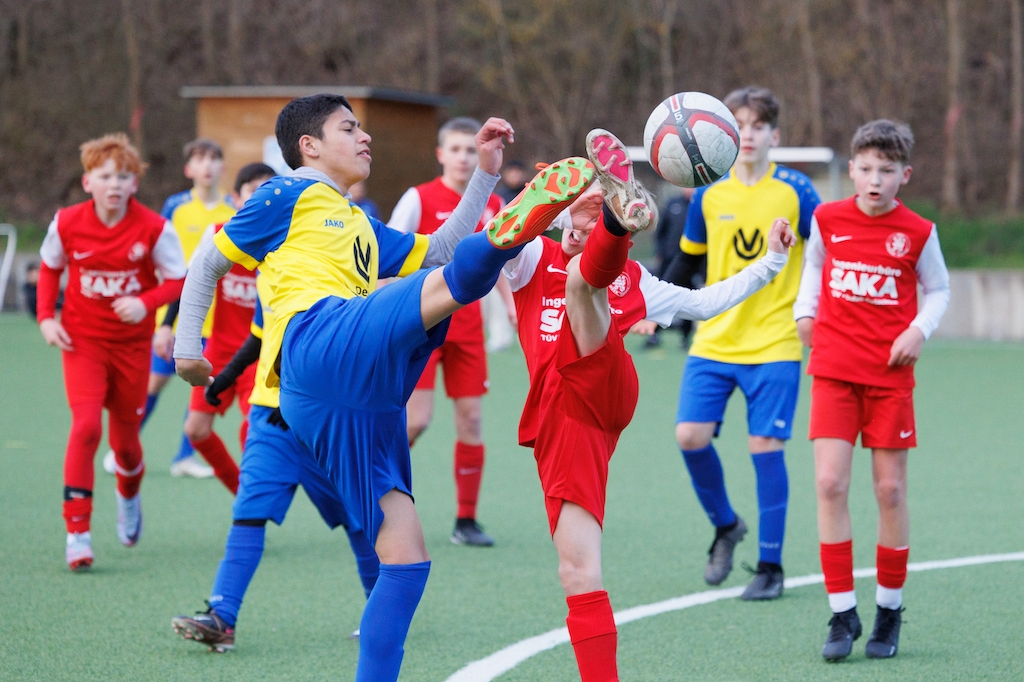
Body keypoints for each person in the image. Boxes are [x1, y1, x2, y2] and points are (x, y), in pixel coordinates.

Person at [173, 93, 592, 681]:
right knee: (447, 286)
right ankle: (524, 217)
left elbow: (439, 249)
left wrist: (484, 176)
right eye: (349, 128)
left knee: (406, 561)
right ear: (309, 146)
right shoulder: (285, 193)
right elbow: (207, 263)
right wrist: (186, 350)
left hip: (356, 389)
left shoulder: (359, 222)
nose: (364, 136)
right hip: (318, 342)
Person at [503, 129, 795, 681]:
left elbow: (704, 303)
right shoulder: (530, 259)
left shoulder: (632, 278)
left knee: (580, 283)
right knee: (578, 571)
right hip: (563, 418)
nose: (582, 217)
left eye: (599, 207)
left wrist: (773, 262)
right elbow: (495, 240)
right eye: (583, 208)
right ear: (561, 214)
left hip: (604, 386)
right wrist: (519, 191)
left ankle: (621, 222)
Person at [793, 120, 950, 661]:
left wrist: (918, 329)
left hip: (889, 376)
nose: (874, 179)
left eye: (886, 170)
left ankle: (889, 609)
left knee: (890, 492)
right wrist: (805, 312)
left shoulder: (919, 232)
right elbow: (814, 266)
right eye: (865, 169)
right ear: (852, 170)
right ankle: (842, 613)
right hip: (833, 368)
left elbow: (939, 289)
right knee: (830, 484)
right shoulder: (827, 218)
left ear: (905, 175)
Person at [172, 269, 380, 652]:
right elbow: (260, 332)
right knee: (248, 511)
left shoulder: (345, 259)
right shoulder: (271, 266)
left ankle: (383, 611)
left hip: (326, 420)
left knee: (357, 518)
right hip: (269, 419)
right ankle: (222, 618)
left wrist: (301, 399)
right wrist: (228, 376)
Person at [668, 87, 820, 600]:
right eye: (740, 125)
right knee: (690, 436)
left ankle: (770, 567)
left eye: (758, 125)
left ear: (775, 135)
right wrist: (650, 310)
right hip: (714, 340)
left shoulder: (797, 191)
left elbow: (827, 252)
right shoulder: (709, 194)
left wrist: (816, 309)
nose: (749, 134)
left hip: (776, 340)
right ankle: (727, 526)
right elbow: (686, 261)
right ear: (725, 133)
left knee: (765, 448)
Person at [36, 133, 186, 570]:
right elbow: (49, 267)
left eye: (123, 177)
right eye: (104, 177)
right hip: (82, 341)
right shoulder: (66, 223)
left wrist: (145, 303)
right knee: (85, 427)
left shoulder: (154, 228)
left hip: (132, 347)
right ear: (88, 182)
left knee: (125, 447)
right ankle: (77, 534)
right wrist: (46, 317)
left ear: (134, 183)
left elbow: (179, 280)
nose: (114, 185)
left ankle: (129, 496)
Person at [388, 117, 510, 546]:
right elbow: (389, 256)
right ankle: (374, 495)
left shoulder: (493, 204)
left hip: (469, 327)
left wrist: (511, 307)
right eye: (455, 149)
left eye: (469, 150)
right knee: (416, 421)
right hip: (421, 323)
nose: (463, 157)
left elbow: (500, 262)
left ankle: (466, 520)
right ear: (441, 154)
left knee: (472, 420)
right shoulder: (418, 198)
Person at [106, 138, 237, 479]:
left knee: (201, 388)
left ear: (223, 167)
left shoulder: (234, 208)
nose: (207, 166)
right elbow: (156, 254)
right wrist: (163, 321)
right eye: (200, 159)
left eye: (213, 159)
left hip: (217, 319)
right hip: (175, 314)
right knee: (154, 383)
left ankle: (184, 457)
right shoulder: (175, 207)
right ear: (188, 169)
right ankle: (122, 448)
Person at [180, 163, 279, 494]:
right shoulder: (219, 234)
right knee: (196, 430)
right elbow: (191, 280)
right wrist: (168, 328)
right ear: (236, 198)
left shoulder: (285, 242)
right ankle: (242, 492)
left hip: (261, 353)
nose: (262, 197)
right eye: (253, 190)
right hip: (220, 349)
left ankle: (252, 499)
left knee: (253, 429)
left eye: (269, 189)